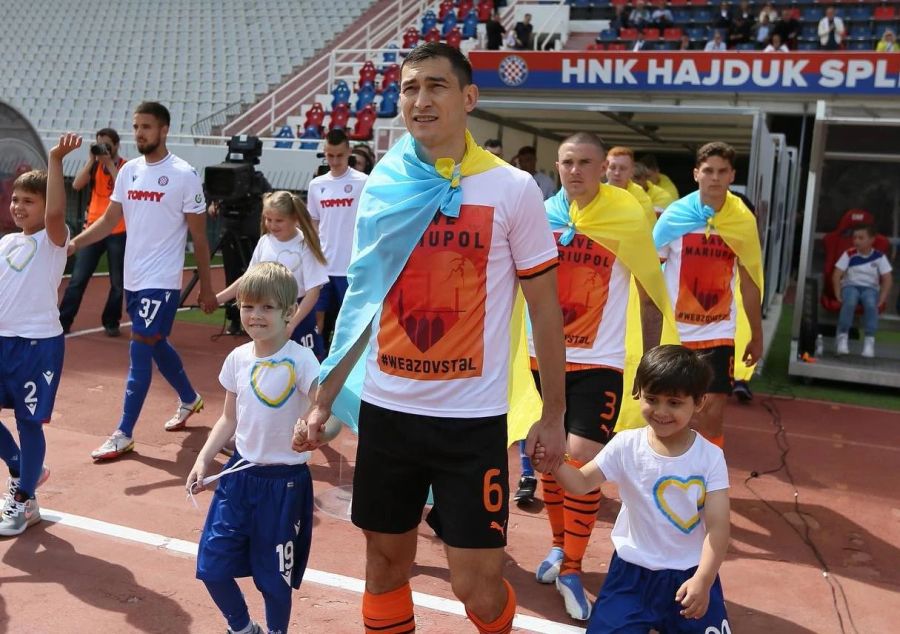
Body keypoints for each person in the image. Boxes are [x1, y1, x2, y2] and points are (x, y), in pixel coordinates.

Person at [292, 42, 566, 634]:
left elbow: (546, 309)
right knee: (385, 565)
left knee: (478, 588)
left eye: (437, 86)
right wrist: (322, 400)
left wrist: (553, 413)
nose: (421, 100)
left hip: (473, 422)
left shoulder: (514, 189)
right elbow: (364, 300)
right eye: (411, 87)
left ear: (468, 98)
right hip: (390, 413)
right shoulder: (384, 183)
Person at [532, 132, 668, 621]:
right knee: (548, 457)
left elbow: (651, 292)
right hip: (539, 358)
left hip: (600, 361)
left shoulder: (628, 215)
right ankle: (555, 545)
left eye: (585, 162)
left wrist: (652, 363)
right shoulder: (541, 213)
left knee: (583, 461)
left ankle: (572, 565)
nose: (575, 171)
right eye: (567, 162)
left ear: (603, 166)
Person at [533, 345, 731, 634]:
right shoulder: (626, 445)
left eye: (674, 402)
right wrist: (552, 461)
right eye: (652, 399)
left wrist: (704, 578)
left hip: (689, 576)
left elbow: (718, 527)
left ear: (699, 402)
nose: (661, 411)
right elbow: (580, 483)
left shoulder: (709, 457)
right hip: (630, 576)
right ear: (639, 392)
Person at [70, 101, 218, 461]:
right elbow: (108, 221)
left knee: (139, 348)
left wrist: (207, 287)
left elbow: (199, 238)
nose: (139, 133)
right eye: (136, 127)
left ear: (164, 130)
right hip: (133, 279)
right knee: (155, 343)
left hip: (162, 280)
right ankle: (189, 398)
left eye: (147, 127)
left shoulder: (184, 174)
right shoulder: (128, 171)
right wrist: (75, 243)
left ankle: (124, 432)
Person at [188, 262, 320, 634]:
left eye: (267, 307)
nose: (255, 315)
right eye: (248, 306)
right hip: (239, 476)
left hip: (285, 483)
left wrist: (315, 429)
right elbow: (228, 419)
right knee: (212, 567)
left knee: (273, 581)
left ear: (289, 312)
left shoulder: (302, 359)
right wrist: (203, 458)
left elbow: (326, 409)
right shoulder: (237, 359)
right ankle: (243, 628)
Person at [653, 142, 764, 450]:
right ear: (696, 174)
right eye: (708, 171)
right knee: (670, 406)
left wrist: (756, 334)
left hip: (719, 330)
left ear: (732, 176)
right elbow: (647, 273)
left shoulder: (742, 220)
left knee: (713, 405)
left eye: (722, 171)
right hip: (677, 331)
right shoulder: (675, 216)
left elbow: (751, 281)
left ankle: (705, 477)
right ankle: (669, 469)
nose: (715, 177)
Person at [0, 133, 81, 536]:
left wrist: (55, 159)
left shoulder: (53, 240)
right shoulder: (6, 243)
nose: (18, 206)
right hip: (3, 341)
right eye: (15, 199)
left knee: (28, 424)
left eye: (28, 201)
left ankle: (22, 501)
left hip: (37, 345)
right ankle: (24, 472)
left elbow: (55, 214)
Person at [216, 191, 329, 358]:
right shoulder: (265, 241)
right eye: (268, 219)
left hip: (297, 315)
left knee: (306, 368)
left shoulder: (305, 244)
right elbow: (248, 278)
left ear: (294, 218)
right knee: (270, 364)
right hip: (267, 313)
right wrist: (217, 299)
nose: (272, 225)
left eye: (279, 220)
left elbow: (313, 292)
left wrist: (291, 323)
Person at [59, 128, 127, 337]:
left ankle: (111, 321)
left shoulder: (125, 166)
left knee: (117, 282)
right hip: (92, 229)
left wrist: (109, 164)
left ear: (116, 146)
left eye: (107, 145)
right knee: (78, 278)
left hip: (118, 230)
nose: (103, 148)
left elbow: (124, 190)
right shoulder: (94, 165)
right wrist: (91, 160)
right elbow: (78, 184)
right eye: (100, 144)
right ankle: (63, 321)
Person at [308, 129, 368, 351]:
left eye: (339, 156)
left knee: (350, 325)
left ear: (348, 152)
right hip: (323, 267)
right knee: (318, 321)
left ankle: (348, 371)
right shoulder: (317, 185)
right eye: (330, 156)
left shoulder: (363, 182)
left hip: (351, 267)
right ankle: (317, 367)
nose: (334, 161)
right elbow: (313, 222)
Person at [832, 224, 893, 358]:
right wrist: (837, 294)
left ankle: (869, 341)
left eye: (861, 238)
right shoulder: (849, 254)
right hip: (850, 286)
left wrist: (882, 299)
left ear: (871, 240)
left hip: (870, 289)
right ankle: (842, 337)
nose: (856, 241)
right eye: (854, 238)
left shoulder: (879, 257)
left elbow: (887, 279)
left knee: (871, 304)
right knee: (850, 301)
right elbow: (837, 274)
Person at [606, 146, 656, 228]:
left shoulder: (640, 197)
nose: (617, 173)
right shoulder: (594, 192)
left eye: (623, 168)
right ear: (605, 168)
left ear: (632, 171)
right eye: (612, 167)